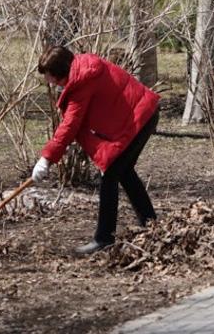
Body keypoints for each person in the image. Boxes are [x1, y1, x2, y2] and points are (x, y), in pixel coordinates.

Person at [31, 45, 160, 255]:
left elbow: (70, 124)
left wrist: (46, 158)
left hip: (140, 119)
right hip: (142, 115)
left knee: (110, 175)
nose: (50, 83)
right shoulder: (82, 67)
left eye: (52, 78)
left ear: (61, 73)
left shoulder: (81, 82)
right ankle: (151, 223)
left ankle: (104, 238)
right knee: (124, 172)